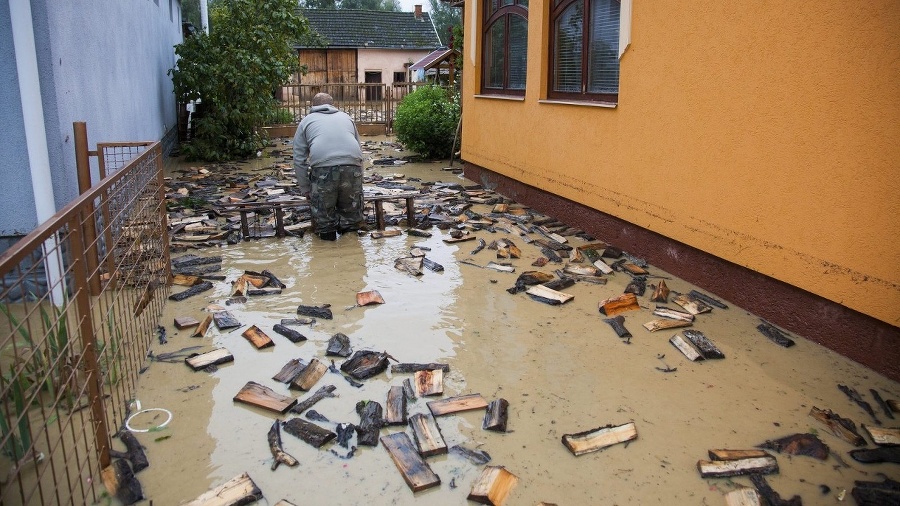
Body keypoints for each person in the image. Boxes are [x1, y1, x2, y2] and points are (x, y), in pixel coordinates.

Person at [293, 92, 365, 241]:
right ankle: (351, 251)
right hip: (352, 167)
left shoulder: (306, 121)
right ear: (333, 105)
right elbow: (359, 150)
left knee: (324, 219)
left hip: (323, 169)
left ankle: (327, 251)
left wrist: (305, 188)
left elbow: (299, 159)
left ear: (312, 106)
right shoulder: (346, 118)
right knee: (351, 217)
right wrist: (358, 179)